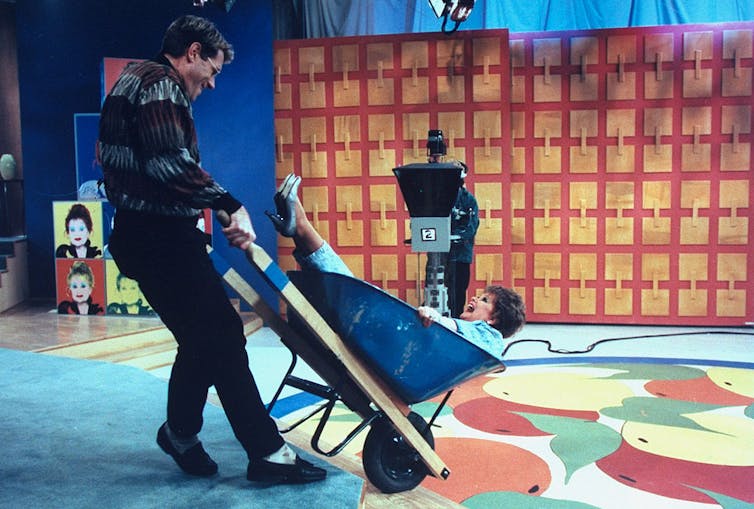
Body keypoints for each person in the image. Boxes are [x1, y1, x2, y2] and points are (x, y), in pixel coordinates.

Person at [97, 15, 326, 484]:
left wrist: (215, 211)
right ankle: (266, 453)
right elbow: (168, 163)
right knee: (221, 334)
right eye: (213, 70)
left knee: (205, 337)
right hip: (158, 239)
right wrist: (228, 204)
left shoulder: (134, 78)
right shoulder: (162, 84)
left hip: (149, 234)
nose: (215, 83)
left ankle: (180, 432)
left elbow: (149, 166)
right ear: (193, 52)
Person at [268, 174, 525, 361]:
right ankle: (298, 229)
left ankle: (300, 226)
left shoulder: (488, 338)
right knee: (346, 286)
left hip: (394, 350)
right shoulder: (468, 341)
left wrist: (438, 320)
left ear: (493, 319)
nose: (474, 298)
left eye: (484, 299)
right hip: (397, 346)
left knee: (348, 288)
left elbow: (465, 332)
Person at [446, 162, 479, 318]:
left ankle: (455, 322)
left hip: (461, 254)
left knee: (459, 290)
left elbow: (471, 227)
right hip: (440, 253)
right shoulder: (439, 196)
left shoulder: (469, 200)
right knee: (438, 287)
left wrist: (455, 237)